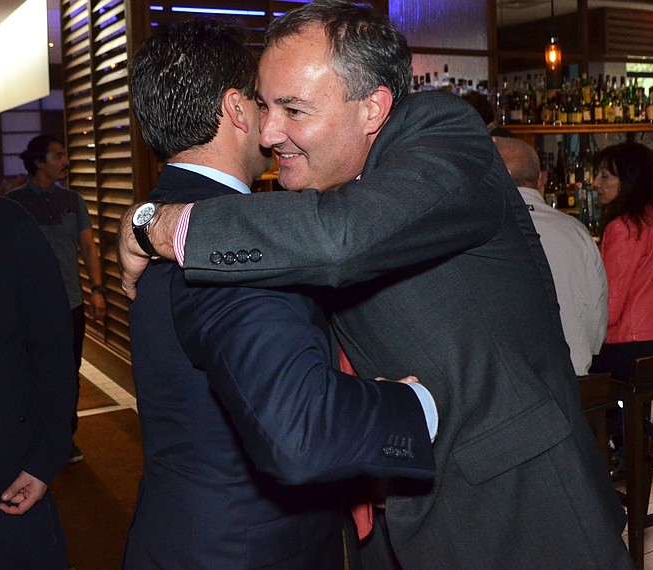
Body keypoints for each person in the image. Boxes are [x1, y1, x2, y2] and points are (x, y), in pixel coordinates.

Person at [118, 1, 632, 568]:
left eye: (293, 109)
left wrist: (157, 224)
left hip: (521, 514)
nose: (268, 132)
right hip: (402, 521)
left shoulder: (443, 136)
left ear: (372, 109)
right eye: (265, 106)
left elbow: (340, 240)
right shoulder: (310, 189)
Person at [122, 19, 437, 570]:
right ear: (236, 109)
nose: (272, 128)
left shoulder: (163, 218)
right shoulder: (238, 241)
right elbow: (301, 432)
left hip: (181, 529)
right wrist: (413, 407)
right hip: (247, 549)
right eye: (266, 104)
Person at [0, 83, 76, 568]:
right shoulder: (9, 221)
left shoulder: (5, 224)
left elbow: (51, 347)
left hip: (0, 491)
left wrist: (45, 457)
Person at [588, 142, 653, 460]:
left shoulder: (624, 227)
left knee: (566, 368)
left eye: (606, 176)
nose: (596, 183)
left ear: (629, 181)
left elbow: (610, 309)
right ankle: (627, 432)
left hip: (635, 353)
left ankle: (623, 431)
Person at [7, 134, 107, 464]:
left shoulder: (73, 201)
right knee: (30, 370)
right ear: (39, 162)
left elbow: (88, 247)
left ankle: (65, 435)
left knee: (68, 370)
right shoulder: (15, 203)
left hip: (71, 302)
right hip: (28, 305)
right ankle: (32, 434)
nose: (65, 161)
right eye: (58, 155)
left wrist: (97, 289)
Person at [493, 135, 608, 376]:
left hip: (518, 396)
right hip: (578, 387)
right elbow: (597, 333)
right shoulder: (577, 232)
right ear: (542, 179)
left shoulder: (482, 233)